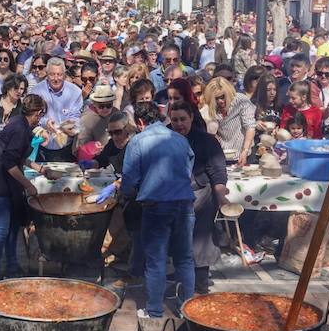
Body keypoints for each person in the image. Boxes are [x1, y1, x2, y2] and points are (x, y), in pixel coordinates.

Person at [118, 101, 195, 318]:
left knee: (156, 260)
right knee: (184, 259)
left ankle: (154, 310)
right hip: (184, 203)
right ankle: (186, 309)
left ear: (140, 122)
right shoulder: (180, 140)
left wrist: (129, 193)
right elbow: (188, 169)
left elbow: (129, 182)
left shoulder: (137, 142)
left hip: (156, 206)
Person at [0, 94, 57, 283]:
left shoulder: (20, 124)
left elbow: (18, 157)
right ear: (38, 112)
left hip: (7, 182)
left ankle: (12, 267)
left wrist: (42, 170)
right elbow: (9, 163)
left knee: (14, 227)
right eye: (40, 115)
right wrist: (29, 185)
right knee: (1, 229)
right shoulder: (19, 128)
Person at [168, 101, 229, 294]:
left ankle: (200, 286)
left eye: (183, 119)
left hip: (200, 194)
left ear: (191, 118)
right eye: (175, 119)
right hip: (171, 195)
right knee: (175, 240)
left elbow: (217, 170)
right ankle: (179, 283)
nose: (179, 124)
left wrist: (221, 197)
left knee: (200, 243)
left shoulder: (206, 140)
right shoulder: (164, 138)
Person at [30, 57, 83, 162]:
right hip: (42, 145)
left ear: (64, 75)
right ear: (46, 74)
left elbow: (76, 116)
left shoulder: (75, 92)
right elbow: (32, 116)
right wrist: (45, 122)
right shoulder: (37, 91)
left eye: (59, 74)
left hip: (66, 148)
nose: (56, 78)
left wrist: (70, 125)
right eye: (52, 74)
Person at [200, 77, 256, 165]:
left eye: (223, 97)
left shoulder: (241, 100)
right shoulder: (210, 107)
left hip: (245, 152)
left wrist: (245, 150)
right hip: (223, 155)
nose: (220, 101)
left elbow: (250, 127)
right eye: (216, 98)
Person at [75, 85, 117, 161]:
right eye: (101, 106)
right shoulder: (87, 118)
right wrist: (94, 146)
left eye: (109, 105)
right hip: (93, 159)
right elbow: (81, 145)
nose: (105, 109)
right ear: (94, 104)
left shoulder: (116, 113)